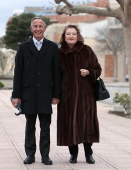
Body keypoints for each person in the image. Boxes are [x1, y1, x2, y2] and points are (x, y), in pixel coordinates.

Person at [11, 16, 61, 165]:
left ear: (45, 28)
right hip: (28, 94)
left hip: (46, 93)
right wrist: (16, 95)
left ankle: (45, 155)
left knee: (45, 126)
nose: (38, 29)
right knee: (29, 126)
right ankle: (30, 155)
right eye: (35, 26)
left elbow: (56, 73)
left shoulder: (53, 47)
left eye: (41, 26)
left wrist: (56, 94)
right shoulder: (23, 47)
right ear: (31, 29)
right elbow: (17, 73)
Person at [57, 25, 102, 164]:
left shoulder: (87, 50)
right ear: (64, 36)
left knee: (87, 124)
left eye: (73, 34)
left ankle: (89, 154)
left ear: (78, 36)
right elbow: (54, 75)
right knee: (69, 124)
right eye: (68, 34)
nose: (71, 36)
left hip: (86, 96)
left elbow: (97, 68)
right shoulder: (59, 53)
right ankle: (73, 154)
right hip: (67, 96)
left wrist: (89, 72)